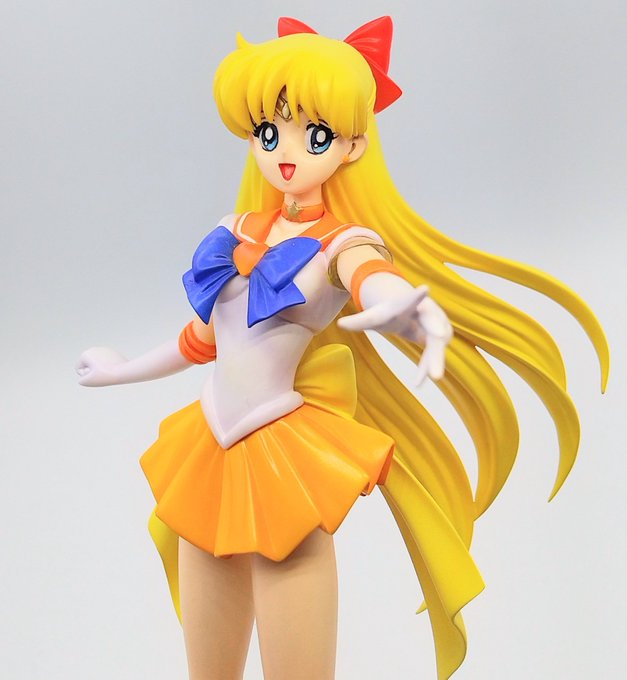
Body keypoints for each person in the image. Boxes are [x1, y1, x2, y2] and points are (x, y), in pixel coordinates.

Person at [76, 16, 609, 680]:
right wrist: (121, 370)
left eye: (315, 134)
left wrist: (404, 309)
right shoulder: (232, 231)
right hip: (208, 449)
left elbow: (371, 277)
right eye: (269, 131)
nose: (285, 151)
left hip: (282, 456)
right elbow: (202, 340)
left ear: (353, 145)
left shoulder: (341, 243)